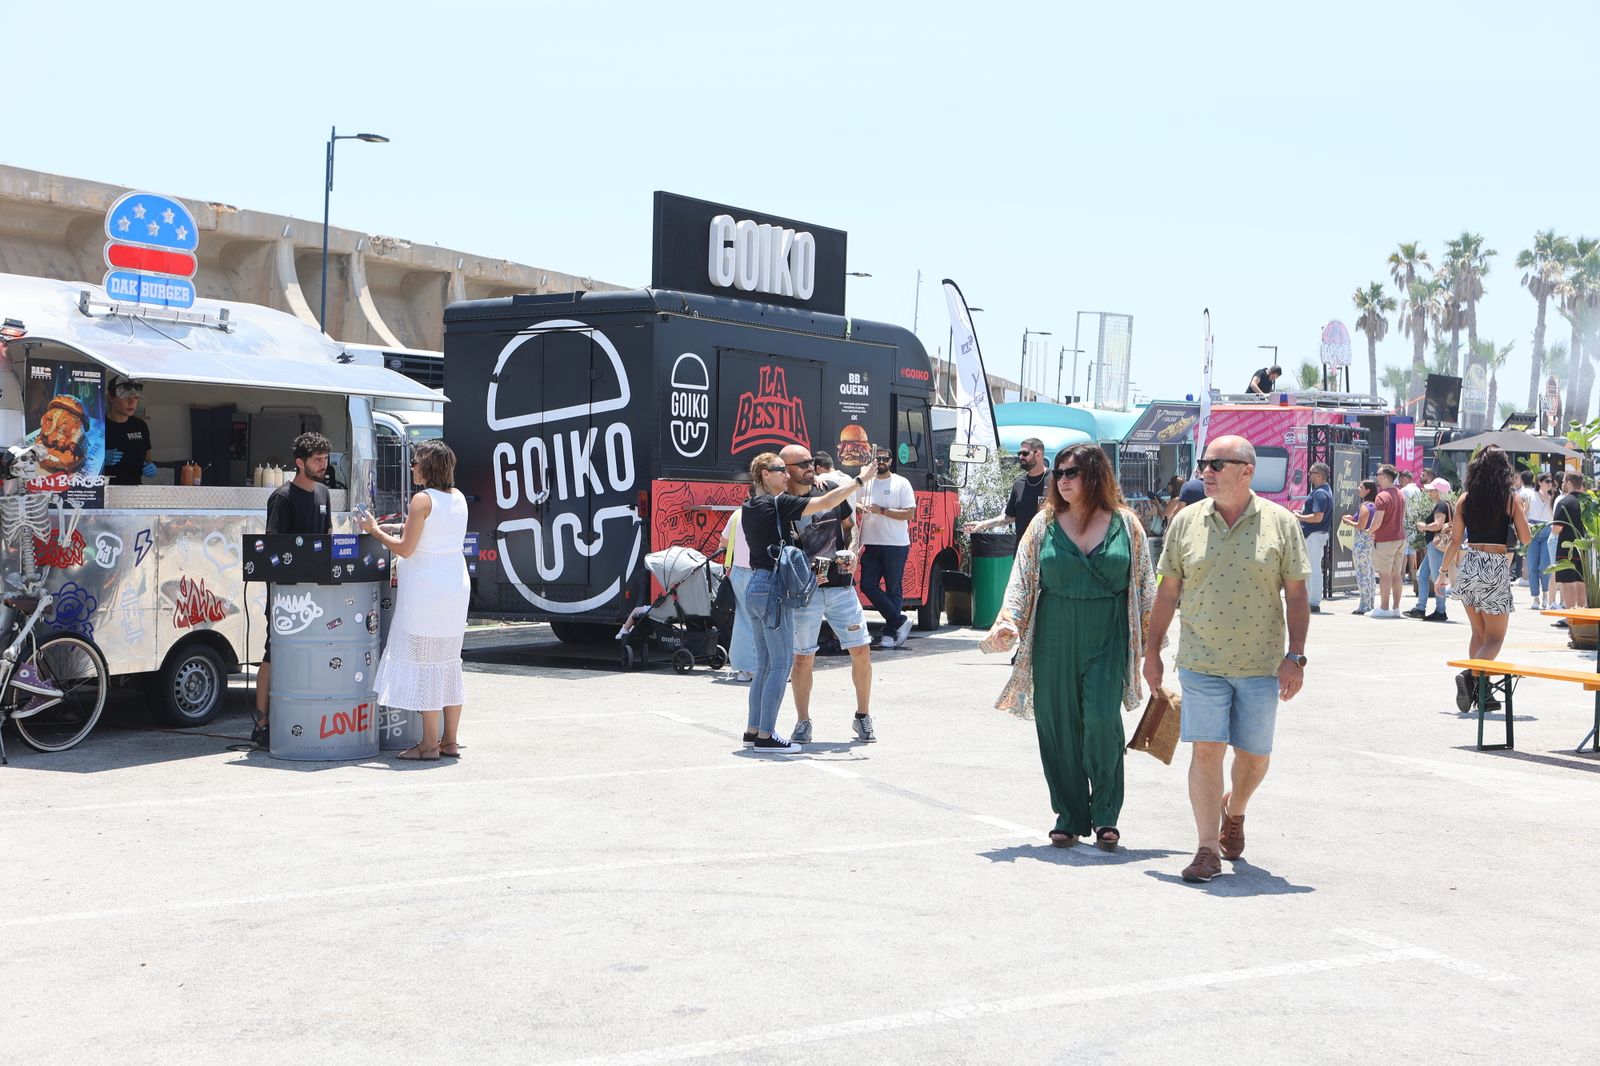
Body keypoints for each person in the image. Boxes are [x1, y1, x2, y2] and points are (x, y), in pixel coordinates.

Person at [1141, 435, 1310, 884]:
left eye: (1217, 464)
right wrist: (1152, 650)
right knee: (1206, 750)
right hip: (1200, 661)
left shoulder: (1281, 523)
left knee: (1254, 757)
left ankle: (1234, 811)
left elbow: (1296, 595)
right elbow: (1167, 591)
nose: (1206, 472)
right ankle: (1206, 849)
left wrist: (1296, 657)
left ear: (1246, 470)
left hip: (1260, 664)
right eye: (1204, 464)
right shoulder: (1185, 523)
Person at [988, 444, 1158, 850]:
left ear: (1095, 475)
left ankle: (1105, 813)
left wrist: (1152, 644)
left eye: (1071, 473)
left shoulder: (1126, 524)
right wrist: (1009, 621)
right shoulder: (1044, 523)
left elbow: (1145, 586)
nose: (1062, 480)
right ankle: (1069, 814)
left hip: (1107, 632)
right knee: (1058, 723)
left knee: (1102, 720)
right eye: (1058, 474)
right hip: (1054, 633)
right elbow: (1023, 577)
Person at [740, 452, 868, 754]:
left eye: (787, 470)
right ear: (764, 475)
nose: (786, 475)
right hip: (773, 587)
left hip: (755, 585)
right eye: (779, 470)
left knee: (764, 665)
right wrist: (860, 481)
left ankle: (753, 730)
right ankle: (766, 736)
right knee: (781, 664)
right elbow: (825, 503)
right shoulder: (777, 502)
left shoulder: (750, 506)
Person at [358, 439, 471, 760]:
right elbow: (433, 533)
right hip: (454, 586)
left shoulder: (422, 500)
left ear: (428, 467)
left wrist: (374, 530)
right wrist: (396, 526)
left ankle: (428, 745)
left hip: (427, 589)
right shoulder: (458, 497)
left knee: (426, 663)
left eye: (416, 462)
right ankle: (449, 741)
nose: (412, 467)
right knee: (448, 662)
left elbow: (407, 549)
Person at [779, 445, 876, 744]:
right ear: (786, 471)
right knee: (802, 658)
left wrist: (852, 551)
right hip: (805, 591)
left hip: (841, 585)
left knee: (860, 648)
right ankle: (803, 721)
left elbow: (850, 526)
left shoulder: (830, 488)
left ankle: (863, 715)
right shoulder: (782, 503)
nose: (811, 467)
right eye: (803, 464)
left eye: (812, 462)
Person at [253, 431, 333, 749]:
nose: (323, 464)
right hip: (287, 592)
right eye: (317, 460)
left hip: (319, 591)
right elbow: (272, 545)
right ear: (299, 462)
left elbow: (328, 536)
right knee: (274, 651)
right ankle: (261, 723)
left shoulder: (325, 493)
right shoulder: (282, 497)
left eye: (325, 459)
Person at [1438, 446, 1531, 713]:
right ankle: (1471, 676)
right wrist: (1520, 513)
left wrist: (1443, 574)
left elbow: (1455, 540)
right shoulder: (1510, 499)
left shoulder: (1465, 499)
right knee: (1495, 639)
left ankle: (1483, 694)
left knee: (1478, 633)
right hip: (1494, 566)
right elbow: (1525, 539)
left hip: (1470, 564)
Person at [856, 445, 918, 648]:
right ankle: (898, 619)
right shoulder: (866, 482)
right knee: (867, 585)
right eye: (878, 459)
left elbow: (909, 513)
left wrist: (881, 510)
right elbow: (853, 501)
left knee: (893, 588)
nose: (881, 462)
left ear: (891, 461)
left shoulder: (901, 483)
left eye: (885, 459)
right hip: (871, 542)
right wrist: (860, 507)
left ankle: (890, 633)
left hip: (895, 543)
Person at [963, 438, 1049, 534]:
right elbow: (1009, 517)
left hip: (1049, 547)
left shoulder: (1056, 481)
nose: (1021, 457)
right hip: (1023, 547)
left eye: (1025, 454)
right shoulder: (1019, 484)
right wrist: (982, 524)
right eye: (1019, 453)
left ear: (1038, 455)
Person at [715, 489, 757, 683]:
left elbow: (723, 541)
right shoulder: (767, 511)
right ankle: (759, 668)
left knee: (743, 621)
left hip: (738, 572)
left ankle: (742, 669)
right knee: (763, 622)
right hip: (759, 572)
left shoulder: (738, 513)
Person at [1406, 478, 1453, 621]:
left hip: (1435, 546)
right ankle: (1420, 608)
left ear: (1438, 492)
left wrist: (1423, 526)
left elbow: (1438, 524)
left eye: (1432, 490)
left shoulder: (1440, 505)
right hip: (1436, 546)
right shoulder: (1448, 505)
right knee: (1422, 575)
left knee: (1437, 578)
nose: (1429, 492)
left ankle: (1440, 610)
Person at [102, 377, 158, 486]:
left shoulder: (140, 426)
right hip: (105, 492)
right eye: (126, 397)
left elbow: (147, 458)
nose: (131, 402)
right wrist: (102, 459)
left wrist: (150, 466)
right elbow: (80, 461)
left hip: (134, 492)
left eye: (135, 397)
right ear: (110, 397)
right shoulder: (99, 425)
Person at [1548, 471, 1588, 624]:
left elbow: (1556, 528)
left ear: (1570, 483)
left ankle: (1571, 615)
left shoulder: (1564, 502)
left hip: (1567, 547)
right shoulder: (1589, 501)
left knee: (1568, 582)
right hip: (1585, 548)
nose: (1562, 483)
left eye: (1564, 481)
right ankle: (1582, 613)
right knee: (1581, 581)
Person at [1369, 465, 1407, 618]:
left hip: (1385, 539)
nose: (1376, 477)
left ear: (1384, 476)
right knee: (1396, 574)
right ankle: (1396, 608)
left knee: (1384, 574)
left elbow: (1378, 521)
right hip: (1400, 538)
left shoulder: (1382, 496)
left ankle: (1384, 608)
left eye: (1377, 474)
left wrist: (1369, 531)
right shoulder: (1400, 493)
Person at [1294, 462, 1332, 613]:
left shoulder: (1320, 493)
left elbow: (1317, 517)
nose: (1309, 475)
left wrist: (1299, 517)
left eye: (1311, 473)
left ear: (1320, 475)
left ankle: (1314, 601)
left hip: (1314, 534)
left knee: (1314, 568)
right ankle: (1311, 599)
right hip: (1315, 534)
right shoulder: (1322, 491)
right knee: (1312, 568)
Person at [1341, 480, 1379, 614]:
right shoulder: (1374, 505)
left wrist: (1347, 521)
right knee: (1369, 574)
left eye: (1361, 487)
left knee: (1362, 574)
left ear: (1368, 490)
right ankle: (1370, 604)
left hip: (1361, 542)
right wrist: (1352, 518)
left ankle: (1364, 606)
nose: (1358, 489)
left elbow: (1361, 525)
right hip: (1371, 541)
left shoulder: (1365, 506)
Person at [1527, 472, 1558, 609]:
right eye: (1546, 481)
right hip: (1533, 529)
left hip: (1547, 529)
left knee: (1545, 565)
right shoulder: (1530, 496)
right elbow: (1523, 512)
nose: (1549, 484)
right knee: (1532, 565)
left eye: (1551, 481)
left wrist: (1548, 501)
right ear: (1539, 482)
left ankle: (1545, 593)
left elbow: (1554, 515)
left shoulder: (1553, 497)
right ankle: (1535, 597)